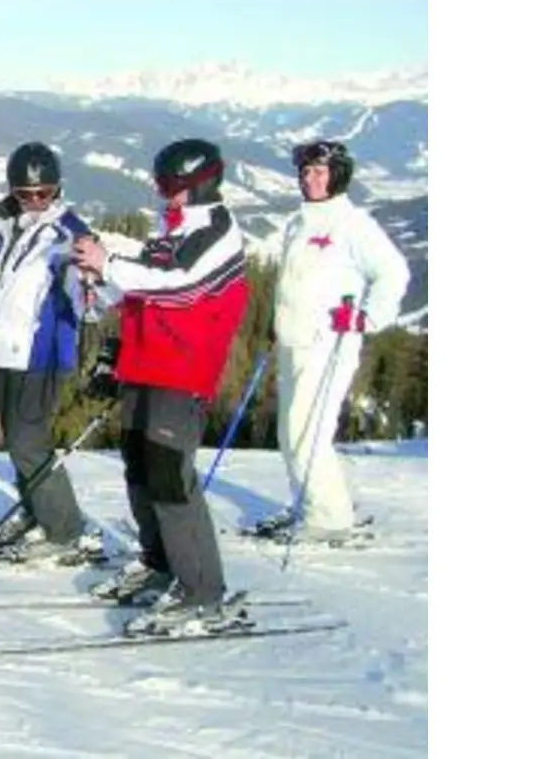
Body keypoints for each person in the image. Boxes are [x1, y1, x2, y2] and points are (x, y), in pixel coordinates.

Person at [71, 138, 249, 635]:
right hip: (145, 361)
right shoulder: (176, 227)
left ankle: (203, 592)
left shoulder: (217, 231)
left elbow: (181, 282)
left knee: (170, 477)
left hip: (182, 368)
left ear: (202, 183)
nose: (163, 193)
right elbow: (147, 280)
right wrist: (101, 279)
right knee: (140, 469)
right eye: (160, 184)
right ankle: (160, 564)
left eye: (172, 185)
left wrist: (108, 264)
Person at [0, 142, 107, 566]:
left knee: (28, 443)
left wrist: (90, 287)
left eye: (44, 193)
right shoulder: (5, 228)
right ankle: (36, 511)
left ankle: (66, 530)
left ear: (57, 189)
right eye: (25, 193)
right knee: (16, 440)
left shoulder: (69, 234)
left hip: (42, 350)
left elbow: (94, 289)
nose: (35, 201)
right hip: (5, 348)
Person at [248, 139, 410, 543]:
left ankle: (329, 518)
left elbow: (393, 272)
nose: (310, 179)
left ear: (338, 175)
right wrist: (277, 323)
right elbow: (294, 283)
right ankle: (309, 505)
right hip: (293, 341)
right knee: (290, 433)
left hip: (327, 343)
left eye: (319, 171)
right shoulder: (299, 223)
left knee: (308, 433)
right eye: (305, 172)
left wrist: (366, 317)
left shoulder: (353, 225)